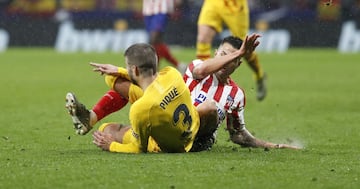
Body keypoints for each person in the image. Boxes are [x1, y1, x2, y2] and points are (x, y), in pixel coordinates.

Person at [66, 34, 300, 152]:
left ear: (238, 64)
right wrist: (119, 70)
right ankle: (91, 119)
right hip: (162, 112)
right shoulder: (198, 68)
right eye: (223, 54)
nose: (225, 61)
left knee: (207, 108)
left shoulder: (235, 95)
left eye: (233, 59)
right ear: (217, 53)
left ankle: (159, 139)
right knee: (110, 123)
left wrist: (273, 145)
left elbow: (238, 135)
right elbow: (150, 78)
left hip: (193, 134)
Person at [196, 0, 267, 101]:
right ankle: (205, 81)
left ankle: (259, 75)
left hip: (235, 4)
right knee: (203, 39)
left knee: (243, 47)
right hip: (214, 2)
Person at [142, 0, 187, 73]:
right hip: (148, 9)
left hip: (161, 8)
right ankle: (178, 65)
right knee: (157, 43)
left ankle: (153, 70)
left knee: (153, 39)